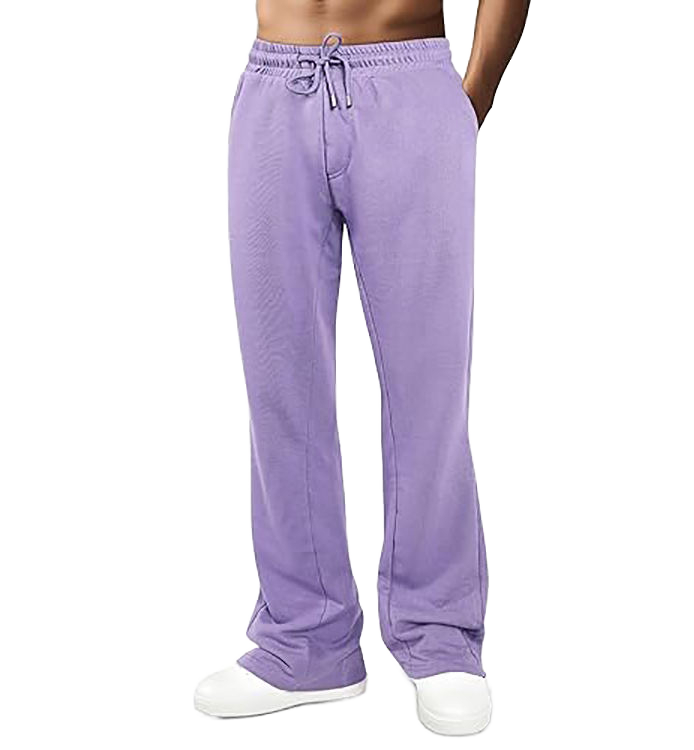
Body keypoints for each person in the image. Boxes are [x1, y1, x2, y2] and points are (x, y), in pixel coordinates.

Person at [195, 0, 529, 735]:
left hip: (409, 81)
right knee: (278, 383)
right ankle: (305, 638)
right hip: (274, 85)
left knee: (429, 384)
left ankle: (439, 631)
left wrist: (469, 98)